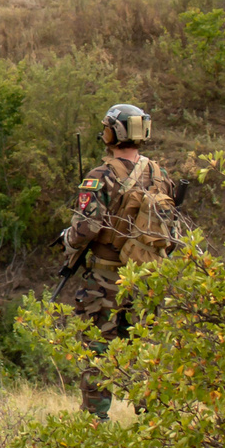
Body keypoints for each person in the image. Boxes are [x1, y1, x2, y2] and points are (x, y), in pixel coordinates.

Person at [58, 103, 182, 422]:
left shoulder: (102, 175)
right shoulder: (160, 174)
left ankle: (95, 425)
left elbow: (86, 228)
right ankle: (156, 426)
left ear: (113, 132)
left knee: (98, 353)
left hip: (105, 282)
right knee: (145, 354)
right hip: (147, 281)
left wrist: (67, 240)